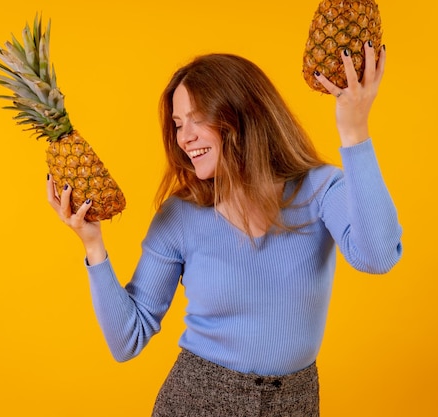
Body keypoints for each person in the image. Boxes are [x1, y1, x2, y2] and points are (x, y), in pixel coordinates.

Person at [47, 42, 402, 416]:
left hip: (295, 403)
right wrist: (93, 245)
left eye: (196, 118)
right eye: (178, 124)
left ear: (242, 114)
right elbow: (127, 340)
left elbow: (377, 256)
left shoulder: (319, 189)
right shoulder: (180, 215)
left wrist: (354, 131)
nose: (184, 138)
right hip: (197, 401)